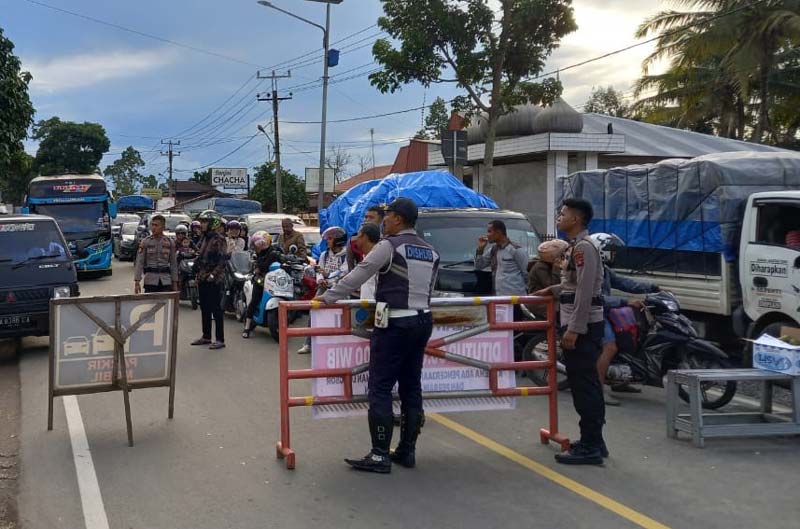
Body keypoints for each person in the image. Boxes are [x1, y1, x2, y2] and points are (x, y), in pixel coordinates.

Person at [315, 197, 440, 473]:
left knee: (380, 387)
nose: (384, 220)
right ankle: (407, 450)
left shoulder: (389, 245)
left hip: (395, 322)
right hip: (423, 320)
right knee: (411, 386)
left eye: (388, 215)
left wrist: (328, 297)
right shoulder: (430, 250)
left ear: (398, 219)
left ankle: (380, 454)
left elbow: (361, 272)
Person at [535, 198, 606, 465]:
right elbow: (573, 285)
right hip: (578, 323)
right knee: (584, 385)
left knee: (585, 386)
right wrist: (551, 290)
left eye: (563, 214)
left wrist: (574, 329)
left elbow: (586, 291)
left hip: (583, 327)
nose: (559, 217)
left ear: (576, 219)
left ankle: (591, 446)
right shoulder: (575, 247)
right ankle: (594, 441)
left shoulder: (583, 248)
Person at [590, 232, 660, 406]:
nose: (614, 255)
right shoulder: (590, 272)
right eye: (612, 251)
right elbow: (596, 298)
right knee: (610, 347)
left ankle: (619, 382)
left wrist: (653, 287)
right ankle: (598, 390)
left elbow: (624, 283)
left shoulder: (604, 270)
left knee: (627, 340)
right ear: (601, 250)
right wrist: (625, 301)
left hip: (606, 311)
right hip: (594, 314)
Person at [296, 226, 349, 354]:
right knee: (313, 313)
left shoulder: (346, 256)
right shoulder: (324, 255)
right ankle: (308, 343)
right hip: (323, 289)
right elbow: (319, 270)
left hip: (339, 291)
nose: (327, 241)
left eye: (330, 238)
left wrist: (329, 279)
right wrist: (321, 280)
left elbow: (343, 272)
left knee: (341, 316)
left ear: (338, 240)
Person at [192, 210, 227, 350]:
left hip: (214, 280)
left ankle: (220, 339)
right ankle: (206, 336)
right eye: (201, 221)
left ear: (212, 223)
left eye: (205, 222)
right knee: (204, 308)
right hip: (203, 277)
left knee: (216, 310)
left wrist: (213, 275)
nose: (202, 224)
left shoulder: (219, 239)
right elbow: (201, 257)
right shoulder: (205, 238)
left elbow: (222, 261)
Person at [242, 231, 282, 338]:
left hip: (274, 280)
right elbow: (259, 267)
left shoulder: (274, 252)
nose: (256, 246)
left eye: (258, 244)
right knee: (254, 300)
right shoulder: (259, 255)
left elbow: (277, 263)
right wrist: (257, 268)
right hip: (261, 280)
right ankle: (247, 327)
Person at [475, 220, 529, 297]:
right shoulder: (493, 250)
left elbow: (526, 273)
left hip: (515, 298)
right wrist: (480, 249)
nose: (487, 235)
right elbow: (479, 266)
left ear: (498, 232)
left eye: (489, 231)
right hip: (499, 297)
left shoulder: (515, 250)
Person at [134, 214, 178, 294]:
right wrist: (137, 281)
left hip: (165, 280)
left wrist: (175, 282)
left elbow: (173, 263)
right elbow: (139, 262)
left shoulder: (170, 242)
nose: (153, 228)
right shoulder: (145, 242)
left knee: (165, 301)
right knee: (151, 301)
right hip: (150, 280)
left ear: (163, 227)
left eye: (156, 225)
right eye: (152, 225)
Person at [527, 239, 569, 318]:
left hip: (548, 303)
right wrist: (556, 268)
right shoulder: (541, 267)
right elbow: (552, 286)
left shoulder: (548, 265)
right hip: (541, 305)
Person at [347, 205, 385, 270]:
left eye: (371, 217)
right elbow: (350, 266)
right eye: (366, 217)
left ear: (381, 220)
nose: (367, 220)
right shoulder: (353, 240)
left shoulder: (385, 241)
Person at [353, 223, 381, 299]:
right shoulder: (365, 257)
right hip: (366, 304)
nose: (356, 238)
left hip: (377, 305)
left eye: (358, 235)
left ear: (365, 237)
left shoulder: (379, 259)